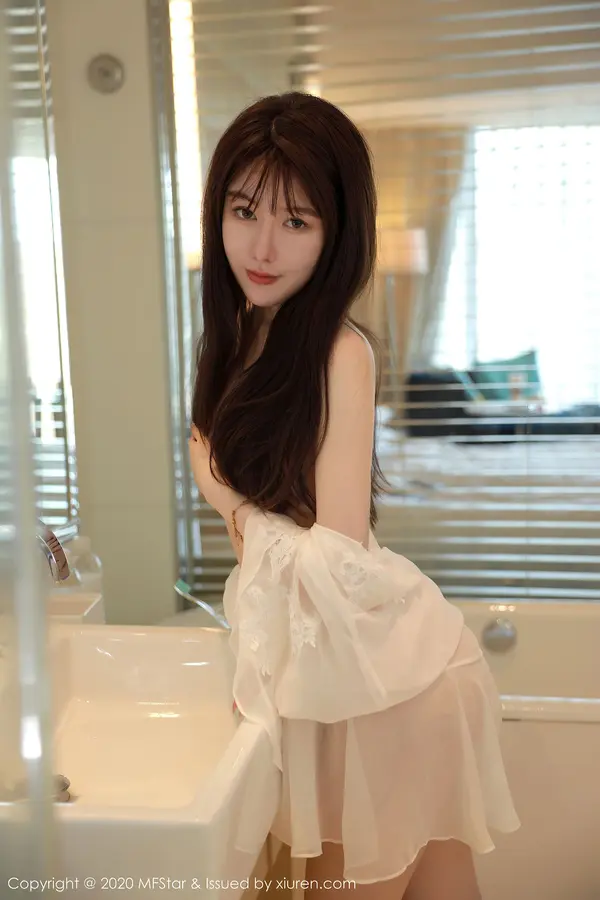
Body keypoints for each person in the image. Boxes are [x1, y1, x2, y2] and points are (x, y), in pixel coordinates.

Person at [188, 92, 520, 900]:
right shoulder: (241, 340)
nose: (263, 246)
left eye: (296, 221)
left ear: (336, 233)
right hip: (349, 678)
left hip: (391, 686)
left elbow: (335, 564)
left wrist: (228, 501)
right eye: (244, 211)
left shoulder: (339, 351)